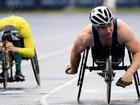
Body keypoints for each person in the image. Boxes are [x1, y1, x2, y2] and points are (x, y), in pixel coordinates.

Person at [65, 6, 140, 87]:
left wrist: (130, 72)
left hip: (118, 56)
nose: (108, 30)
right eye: (103, 27)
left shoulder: (122, 30)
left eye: (109, 25)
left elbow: (138, 51)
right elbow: (75, 52)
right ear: (96, 28)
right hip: (98, 57)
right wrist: (74, 69)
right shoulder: (85, 35)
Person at [0, 15, 35, 81]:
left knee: (16, 48)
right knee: (1, 48)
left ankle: (18, 72)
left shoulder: (24, 29)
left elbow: (31, 53)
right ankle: (5, 69)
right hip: (4, 29)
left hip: (19, 27)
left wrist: (15, 49)